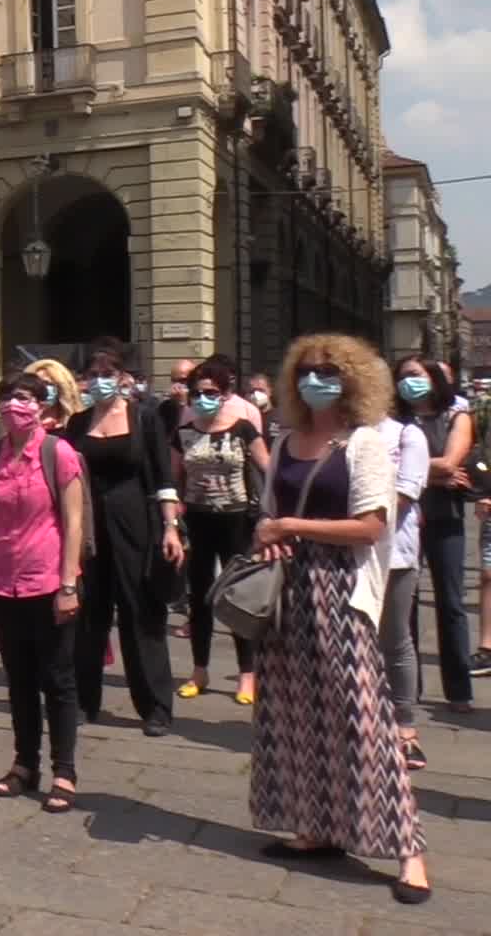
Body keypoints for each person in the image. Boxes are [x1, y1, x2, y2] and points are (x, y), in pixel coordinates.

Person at [250, 333, 430, 905]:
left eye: (327, 371)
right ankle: (317, 828)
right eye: (305, 371)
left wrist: (290, 530)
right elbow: (269, 514)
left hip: (340, 589)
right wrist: (268, 533)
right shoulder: (283, 441)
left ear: (352, 379)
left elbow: (372, 526)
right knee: (294, 714)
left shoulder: (364, 444)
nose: (315, 379)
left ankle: (410, 851)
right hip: (287, 593)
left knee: (363, 719)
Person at [0, 372, 84, 813]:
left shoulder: (59, 453)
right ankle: (25, 764)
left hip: (49, 578)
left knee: (58, 679)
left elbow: (74, 522)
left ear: (42, 405)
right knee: (18, 679)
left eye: (21, 398)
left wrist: (69, 583)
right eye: (5, 398)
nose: (12, 406)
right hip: (3, 581)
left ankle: (65, 770)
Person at [64, 349, 185, 736]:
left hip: (137, 525)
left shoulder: (144, 418)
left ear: (121, 377)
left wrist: (170, 528)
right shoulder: (79, 422)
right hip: (88, 528)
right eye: (93, 372)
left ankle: (155, 706)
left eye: (108, 372)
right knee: (88, 615)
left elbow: (164, 477)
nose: (100, 378)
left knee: (141, 614)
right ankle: (85, 701)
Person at [170, 359, 269, 705]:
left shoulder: (243, 428)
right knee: (199, 597)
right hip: (197, 520)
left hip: (237, 518)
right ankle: (199, 669)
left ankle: (247, 672)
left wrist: (269, 518)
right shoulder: (183, 432)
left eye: (210, 392)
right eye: (196, 393)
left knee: (237, 596)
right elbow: (173, 478)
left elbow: (266, 469)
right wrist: (172, 517)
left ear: (226, 394)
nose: (201, 399)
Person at [392, 355, 475, 712]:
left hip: (444, 516)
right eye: (402, 377)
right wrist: (436, 473)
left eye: (414, 375)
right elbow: (381, 461)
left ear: (432, 378)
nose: (407, 382)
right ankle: (409, 688)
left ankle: (458, 690)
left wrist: (417, 468)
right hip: (403, 519)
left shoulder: (456, 415)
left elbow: (452, 462)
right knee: (403, 604)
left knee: (451, 602)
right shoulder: (394, 421)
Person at [376, 407, 429, 769]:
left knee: (395, 639)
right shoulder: (336, 433)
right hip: (345, 555)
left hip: (395, 554)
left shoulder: (406, 436)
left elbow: (404, 496)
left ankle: (405, 727)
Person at [28, 359, 82, 432]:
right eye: (37, 383)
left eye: (47, 383)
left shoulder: (78, 424)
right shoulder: (20, 424)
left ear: (61, 388)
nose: (42, 387)